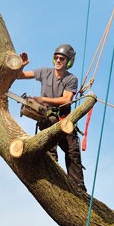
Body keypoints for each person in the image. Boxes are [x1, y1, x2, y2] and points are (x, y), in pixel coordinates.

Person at [19, 43, 85, 191]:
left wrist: (43, 99)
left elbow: (66, 99)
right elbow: (19, 76)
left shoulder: (71, 79)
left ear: (68, 61)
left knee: (72, 153)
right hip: (47, 119)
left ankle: (79, 189)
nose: (58, 60)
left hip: (64, 120)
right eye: (56, 58)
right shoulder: (44, 72)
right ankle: (53, 180)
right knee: (50, 150)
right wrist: (21, 66)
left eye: (62, 58)